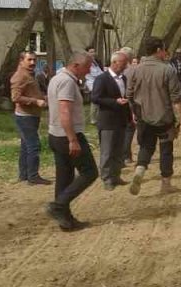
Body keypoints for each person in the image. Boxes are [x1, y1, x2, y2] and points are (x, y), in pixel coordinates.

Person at [127, 36, 181, 196]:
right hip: (164, 118)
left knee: (146, 147)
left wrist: (134, 113)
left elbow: (129, 94)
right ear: (159, 50)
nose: (166, 53)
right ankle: (165, 184)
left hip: (143, 117)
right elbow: (176, 98)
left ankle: (140, 170)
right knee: (166, 149)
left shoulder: (136, 69)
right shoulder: (168, 70)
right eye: (164, 49)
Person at [44, 52, 98, 231]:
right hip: (67, 135)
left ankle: (65, 220)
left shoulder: (56, 78)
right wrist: (73, 139)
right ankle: (58, 206)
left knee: (64, 177)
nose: (89, 70)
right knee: (89, 172)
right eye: (87, 67)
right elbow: (64, 112)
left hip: (56, 135)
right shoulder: (67, 82)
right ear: (76, 65)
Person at [91, 51, 134, 190]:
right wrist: (114, 102)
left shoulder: (123, 79)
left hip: (121, 120)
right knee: (107, 151)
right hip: (107, 120)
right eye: (124, 62)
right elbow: (95, 98)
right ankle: (107, 178)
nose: (126, 65)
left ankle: (116, 175)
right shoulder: (102, 79)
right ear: (115, 62)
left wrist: (129, 117)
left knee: (118, 150)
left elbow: (125, 99)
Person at [10, 51, 51, 185]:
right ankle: (33, 176)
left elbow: (30, 92)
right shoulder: (20, 76)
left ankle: (24, 175)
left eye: (34, 60)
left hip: (31, 115)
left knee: (25, 146)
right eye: (29, 60)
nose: (33, 63)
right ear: (21, 61)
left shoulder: (29, 74)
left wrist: (43, 98)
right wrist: (35, 101)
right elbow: (15, 97)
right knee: (34, 145)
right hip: (25, 116)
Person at [84, 45, 105, 125]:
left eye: (93, 51)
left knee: (98, 100)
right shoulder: (86, 62)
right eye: (91, 52)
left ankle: (97, 117)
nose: (93, 53)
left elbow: (99, 71)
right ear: (87, 53)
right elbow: (94, 73)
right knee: (95, 101)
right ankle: (93, 119)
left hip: (98, 82)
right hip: (91, 82)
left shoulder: (95, 61)